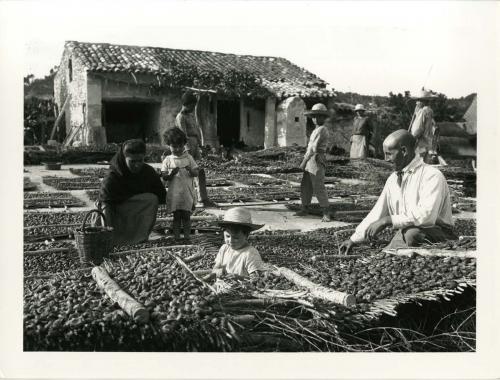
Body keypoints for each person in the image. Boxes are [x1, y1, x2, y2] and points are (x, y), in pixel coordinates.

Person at [339, 129, 457, 254]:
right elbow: (378, 212)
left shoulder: (431, 175)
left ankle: (392, 250)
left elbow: (427, 217)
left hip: (438, 232)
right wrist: (353, 239)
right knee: (407, 234)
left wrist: (388, 220)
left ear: (404, 151)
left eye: (389, 154)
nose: (385, 159)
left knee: (411, 234)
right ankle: (393, 249)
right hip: (407, 232)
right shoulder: (393, 179)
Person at [97, 139, 166, 246]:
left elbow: (161, 196)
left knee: (151, 199)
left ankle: (138, 238)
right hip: (114, 214)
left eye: (140, 161)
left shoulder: (148, 172)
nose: (137, 165)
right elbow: (106, 205)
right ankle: (113, 240)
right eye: (132, 161)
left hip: (132, 213)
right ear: (124, 159)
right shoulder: (113, 176)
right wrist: (107, 234)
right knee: (105, 209)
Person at [173, 91, 214, 207]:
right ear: (187, 104)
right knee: (189, 173)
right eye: (192, 105)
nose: (193, 107)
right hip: (188, 146)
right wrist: (187, 151)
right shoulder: (180, 117)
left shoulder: (190, 116)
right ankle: (188, 200)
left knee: (200, 172)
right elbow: (183, 135)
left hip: (195, 144)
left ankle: (203, 198)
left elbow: (196, 131)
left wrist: (201, 145)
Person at [295, 103, 332, 222]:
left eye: (319, 116)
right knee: (306, 184)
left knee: (318, 185)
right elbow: (309, 147)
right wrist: (306, 159)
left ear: (324, 118)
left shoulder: (322, 129)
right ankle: (305, 207)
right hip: (310, 158)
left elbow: (314, 148)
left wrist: (304, 161)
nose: (316, 119)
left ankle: (326, 212)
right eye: (314, 116)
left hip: (316, 158)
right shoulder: (316, 129)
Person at [161, 127, 199, 241]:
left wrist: (190, 170)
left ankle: (187, 237)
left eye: (180, 146)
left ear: (184, 145)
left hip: (187, 193)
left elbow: (196, 172)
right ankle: (176, 237)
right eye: (174, 146)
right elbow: (164, 176)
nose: (177, 149)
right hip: (175, 194)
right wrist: (171, 174)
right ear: (169, 145)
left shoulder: (188, 158)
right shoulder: (168, 160)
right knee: (176, 217)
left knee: (187, 216)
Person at [210, 207, 267, 280]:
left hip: (243, 289)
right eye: (227, 236)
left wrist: (239, 278)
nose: (231, 240)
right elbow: (216, 267)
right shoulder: (224, 248)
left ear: (246, 235)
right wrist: (217, 271)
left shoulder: (250, 254)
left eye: (236, 238)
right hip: (223, 286)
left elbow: (257, 279)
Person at [408, 88, 437, 162]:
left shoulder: (423, 111)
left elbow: (416, 131)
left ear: (423, 101)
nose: (416, 103)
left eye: (418, 100)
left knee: (417, 166)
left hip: (420, 145)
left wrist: (409, 140)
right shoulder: (429, 111)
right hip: (427, 145)